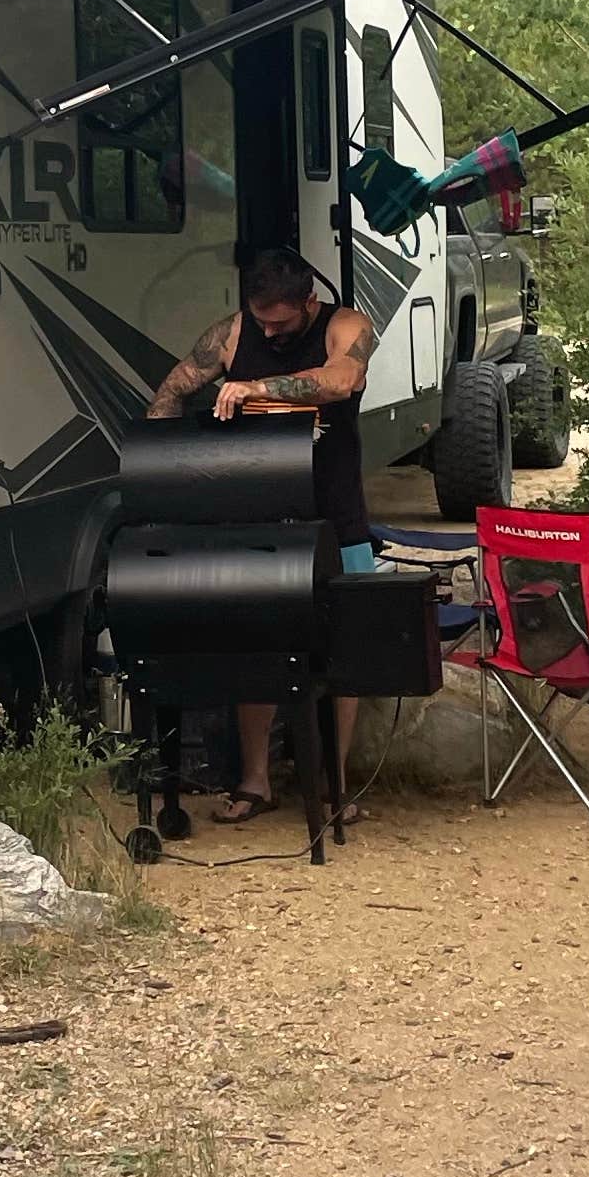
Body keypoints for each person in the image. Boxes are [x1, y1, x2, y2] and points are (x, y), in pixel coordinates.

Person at [146, 246, 376, 823]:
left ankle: (333, 785)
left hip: (337, 513)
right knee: (258, 642)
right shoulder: (232, 333)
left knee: (342, 650)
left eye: (281, 322)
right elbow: (175, 387)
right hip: (260, 516)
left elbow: (343, 380)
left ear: (308, 302)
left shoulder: (345, 325)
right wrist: (161, 461)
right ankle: (255, 781)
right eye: (260, 321)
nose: (269, 332)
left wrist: (256, 388)